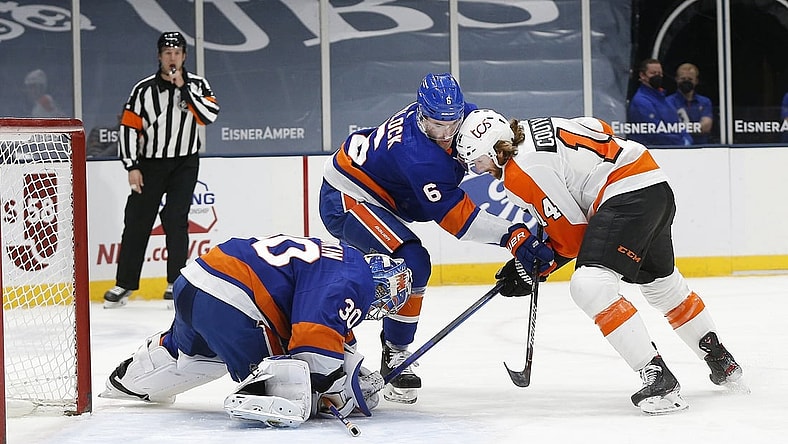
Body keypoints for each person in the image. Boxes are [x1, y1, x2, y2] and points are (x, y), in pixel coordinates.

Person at [456, 109, 746, 414]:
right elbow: (598, 126)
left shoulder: (519, 171)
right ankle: (720, 359)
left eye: (477, 161)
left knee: (589, 285)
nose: (478, 169)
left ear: (494, 149)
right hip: (654, 185)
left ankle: (658, 376)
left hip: (626, 196)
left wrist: (534, 269)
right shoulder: (532, 127)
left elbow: (572, 238)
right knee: (661, 284)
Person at [319, 73, 517, 404]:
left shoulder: (465, 117)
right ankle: (392, 353)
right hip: (347, 196)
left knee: (411, 265)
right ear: (421, 114)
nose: (444, 134)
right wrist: (513, 234)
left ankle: (383, 346)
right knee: (413, 263)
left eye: (450, 123)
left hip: (379, 194)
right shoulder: (418, 154)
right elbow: (460, 222)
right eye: (435, 125)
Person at [99, 234, 413, 428]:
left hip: (197, 281)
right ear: (379, 286)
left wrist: (352, 376)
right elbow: (314, 345)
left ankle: (127, 382)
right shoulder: (357, 283)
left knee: (193, 358)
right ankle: (259, 394)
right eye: (383, 300)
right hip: (233, 302)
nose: (378, 307)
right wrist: (339, 394)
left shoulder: (340, 261)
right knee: (294, 387)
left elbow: (331, 331)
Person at [103, 31, 220, 308]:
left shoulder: (198, 85)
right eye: (167, 53)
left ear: (184, 56)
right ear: (159, 56)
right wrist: (131, 165)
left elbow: (209, 117)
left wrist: (184, 88)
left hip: (184, 162)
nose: (172, 57)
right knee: (137, 220)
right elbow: (128, 128)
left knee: (176, 219)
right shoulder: (143, 90)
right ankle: (125, 284)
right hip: (150, 164)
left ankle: (175, 281)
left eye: (177, 52)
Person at [627, 59, 691, 146]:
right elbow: (655, 133)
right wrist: (681, 142)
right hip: (652, 151)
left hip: (675, 149)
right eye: (653, 73)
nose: (658, 76)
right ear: (642, 75)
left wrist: (688, 140)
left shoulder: (664, 100)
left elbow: (678, 124)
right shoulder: (641, 101)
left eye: (660, 73)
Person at [666, 63, 714, 145]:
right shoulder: (667, 102)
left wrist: (681, 127)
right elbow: (669, 127)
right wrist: (696, 127)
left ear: (696, 81)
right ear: (676, 79)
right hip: (677, 148)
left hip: (702, 148)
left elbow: (706, 127)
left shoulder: (705, 102)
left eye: (690, 79)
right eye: (683, 79)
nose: (686, 81)